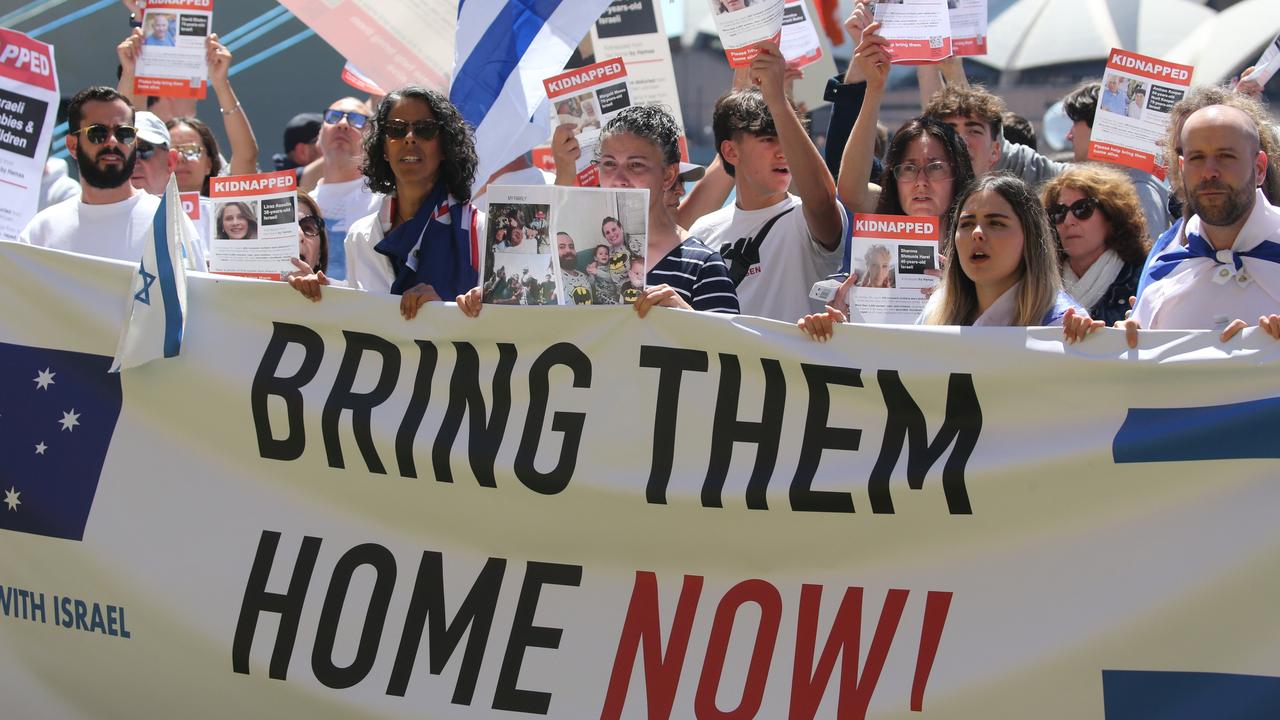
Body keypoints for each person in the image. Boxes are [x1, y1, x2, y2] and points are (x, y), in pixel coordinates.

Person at [458, 104, 740, 316]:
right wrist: (490, 304)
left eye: (636, 165)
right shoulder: (571, 260)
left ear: (668, 176)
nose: (619, 178)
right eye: (608, 164)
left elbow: (735, 365)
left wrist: (686, 319)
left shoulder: (703, 265)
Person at [801, 174, 1082, 339]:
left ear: (1030, 238)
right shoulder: (938, 308)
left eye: (996, 223)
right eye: (967, 223)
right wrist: (839, 341)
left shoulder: (1061, 323)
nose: (978, 234)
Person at [288, 85, 479, 321]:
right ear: (384, 148)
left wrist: (445, 311)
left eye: (425, 130)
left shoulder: (479, 230)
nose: (409, 138)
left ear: (445, 146)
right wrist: (319, 290)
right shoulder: (360, 236)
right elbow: (359, 316)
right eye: (397, 130)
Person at [687, 41, 845, 322]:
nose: (784, 152)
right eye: (768, 140)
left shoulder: (802, 218)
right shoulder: (702, 232)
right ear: (730, 151)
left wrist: (778, 100)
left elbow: (822, 200)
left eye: (785, 139)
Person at [1120, 105, 1280, 343]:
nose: (1209, 172)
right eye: (1197, 158)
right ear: (1183, 169)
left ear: (1259, 168)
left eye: (1226, 156)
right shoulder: (1164, 270)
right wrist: (1099, 341)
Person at [18, 86, 204, 269]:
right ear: (73, 145)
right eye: (98, 133)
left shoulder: (171, 225)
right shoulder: (42, 231)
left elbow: (198, 298)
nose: (113, 141)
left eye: (124, 133)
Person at [1059, 81, 1171, 243]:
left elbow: (1146, 264)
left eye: (1075, 124)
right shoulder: (1130, 186)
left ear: (1101, 126)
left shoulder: (1139, 192)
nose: (1069, 135)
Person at [1041, 164, 1150, 326]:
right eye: (1059, 212)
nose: (1069, 221)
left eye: (1082, 209)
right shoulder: (1040, 285)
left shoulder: (1144, 280)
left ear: (1111, 216)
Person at [307, 97, 381, 281]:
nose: (342, 124)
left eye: (357, 120)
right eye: (333, 117)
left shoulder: (386, 201)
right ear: (319, 138)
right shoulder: (301, 207)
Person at [295, 191, 328, 275]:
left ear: (319, 255)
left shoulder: (342, 287)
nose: (299, 235)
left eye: (307, 228)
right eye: (285, 228)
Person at [557, 231, 594, 304]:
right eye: (561, 247)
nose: (568, 250)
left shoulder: (583, 276)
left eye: (571, 247)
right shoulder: (556, 279)